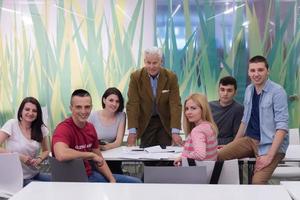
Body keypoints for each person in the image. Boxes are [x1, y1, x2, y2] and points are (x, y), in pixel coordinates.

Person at [218, 55, 289, 184]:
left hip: (270, 144)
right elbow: (245, 121)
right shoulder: (249, 90)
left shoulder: (278, 92)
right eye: (252, 70)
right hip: (250, 140)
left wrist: (269, 156)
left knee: (257, 182)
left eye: (260, 70)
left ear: (268, 71)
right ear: (248, 73)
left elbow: (282, 127)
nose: (256, 74)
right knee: (217, 156)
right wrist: (232, 145)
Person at [52, 89, 141, 183]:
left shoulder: (90, 128)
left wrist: (112, 180)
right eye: (78, 107)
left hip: (90, 175)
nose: (83, 111)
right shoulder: (63, 128)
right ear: (71, 108)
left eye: (87, 107)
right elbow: (61, 154)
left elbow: (100, 160)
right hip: (71, 180)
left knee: (137, 183)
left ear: (91, 107)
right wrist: (90, 155)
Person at [126, 47, 182, 148]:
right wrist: (132, 132)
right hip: (146, 121)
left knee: (165, 155)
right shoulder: (135, 77)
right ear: (144, 61)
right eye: (148, 62)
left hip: (164, 122)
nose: (151, 66)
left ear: (161, 61)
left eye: (155, 63)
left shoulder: (171, 77)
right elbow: (133, 104)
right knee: (146, 155)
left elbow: (175, 104)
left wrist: (175, 131)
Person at [0, 97, 50, 186]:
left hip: (34, 174)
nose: (30, 113)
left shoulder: (41, 128)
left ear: (38, 114)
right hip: (16, 178)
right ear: (21, 111)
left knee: (58, 181)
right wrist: (19, 156)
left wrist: (39, 159)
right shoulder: (12, 124)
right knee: (42, 188)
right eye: (27, 109)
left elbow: (46, 150)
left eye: (34, 111)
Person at [88, 87, 125, 174]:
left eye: (117, 101)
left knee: (116, 177)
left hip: (113, 157)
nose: (114, 104)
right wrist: (97, 148)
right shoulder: (92, 116)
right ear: (104, 100)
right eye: (111, 100)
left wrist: (106, 147)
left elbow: (118, 142)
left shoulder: (121, 116)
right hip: (96, 157)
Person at [174, 93, 218, 166]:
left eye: (193, 108)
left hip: (196, 174)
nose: (188, 112)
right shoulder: (209, 126)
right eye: (186, 109)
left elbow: (200, 154)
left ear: (203, 109)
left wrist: (183, 157)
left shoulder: (197, 131)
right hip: (208, 173)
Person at [209, 76, 243, 145]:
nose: (225, 93)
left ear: (235, 92)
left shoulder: (239, 109)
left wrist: (213, 142)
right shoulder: (208, 106)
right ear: (218, 90)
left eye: (229, 90)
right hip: (206, 145)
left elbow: (236, 137)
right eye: (222, 90)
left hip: (227, 147)